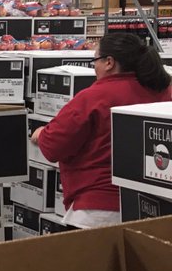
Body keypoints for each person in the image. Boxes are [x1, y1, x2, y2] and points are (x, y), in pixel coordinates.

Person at [33, 33, 172, 228]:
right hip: (154, 210)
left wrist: (40, 134)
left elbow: (54, 146)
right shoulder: (165, 92)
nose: (94, 67)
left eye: (95, 60)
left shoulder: (93, 97)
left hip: (98, 210)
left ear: (109, 62)